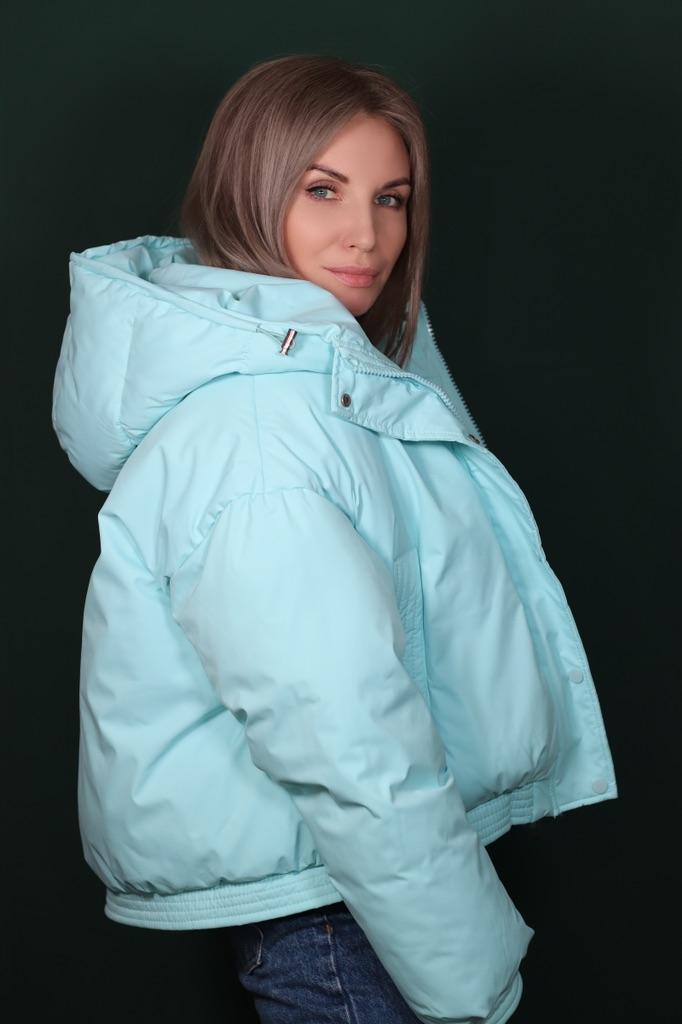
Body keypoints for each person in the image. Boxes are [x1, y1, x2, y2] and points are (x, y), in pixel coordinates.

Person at [51, 54, 618, 1024]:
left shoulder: (329, 394)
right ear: (249, 187)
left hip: (365, 888)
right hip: (344, 910)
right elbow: (340, 730)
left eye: (391, 198)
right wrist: (470, 984)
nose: (367, 234)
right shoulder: (262, 432)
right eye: (323, 190)